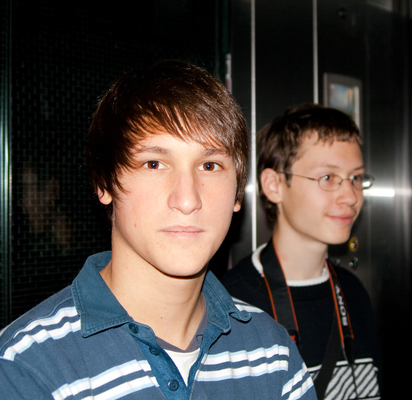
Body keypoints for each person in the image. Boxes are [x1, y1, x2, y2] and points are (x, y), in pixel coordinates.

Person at [0, 60, 316, 400]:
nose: (187, 200)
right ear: (104, 183)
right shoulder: (27, 367)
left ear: (238, 192)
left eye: (209, 165)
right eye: (154, 164)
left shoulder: (273, 353)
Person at [220, 104, 381, 400]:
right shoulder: (231, 306)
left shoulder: (353, 292)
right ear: (274, 185)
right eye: (328, 178)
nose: (350, 196)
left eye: (356, 178)